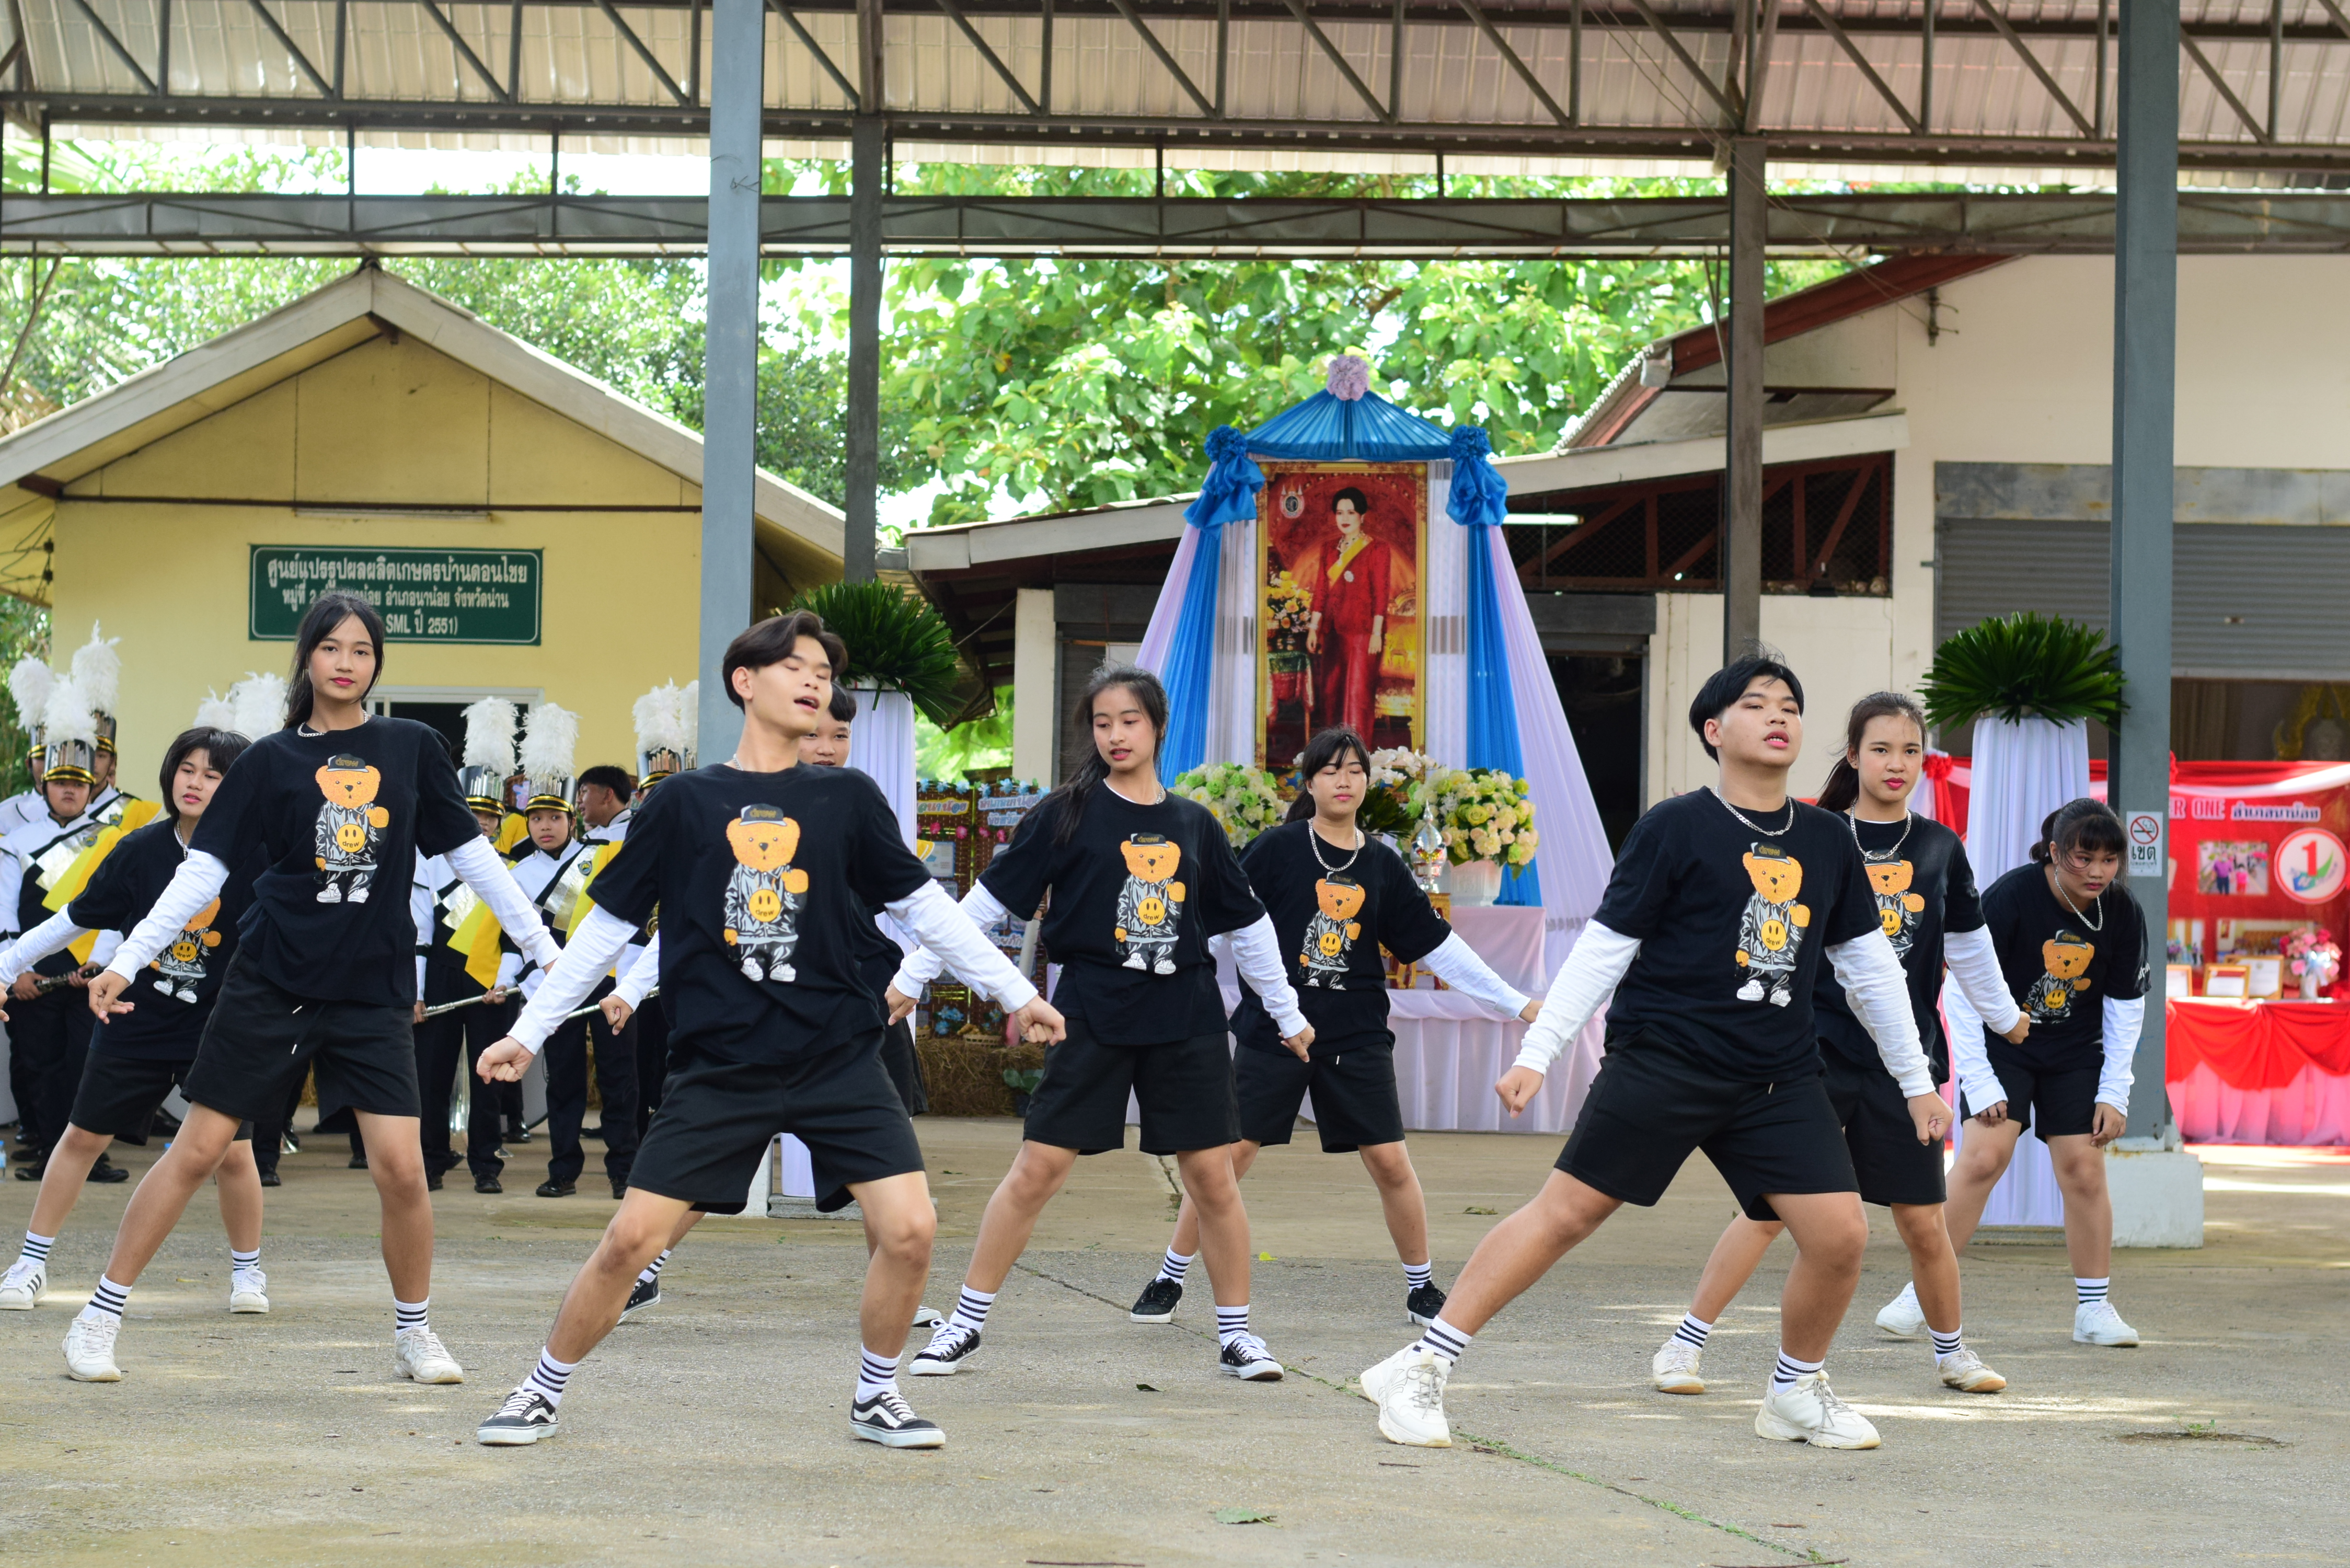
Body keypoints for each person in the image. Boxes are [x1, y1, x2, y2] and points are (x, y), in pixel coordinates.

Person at [469, 610, 1063, 1449]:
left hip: (838, 1055)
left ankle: (877, 1393)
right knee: (630, 1241)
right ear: (746, 682)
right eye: (798, 666)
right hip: (722, 1065)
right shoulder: (680, 802)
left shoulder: (847, 798)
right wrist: (528, 1032)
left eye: (823, 669)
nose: (816, 680)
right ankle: (540, 1388)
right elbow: (605, 931)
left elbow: (924, 908)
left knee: (910, 1229)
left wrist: (1013, 994)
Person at [1357, 652, 1943, 1451]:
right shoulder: (1674, 826)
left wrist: (1916, 1080)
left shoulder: (1826, 840)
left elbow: (1872, 970)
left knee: (1841, 1235)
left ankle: (1795, 1392)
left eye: (1791, 706)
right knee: (1567, 1214)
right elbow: (1605, 948)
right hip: (1664, 1059)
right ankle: (1423, 1364)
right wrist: (1541, 1050)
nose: (1779, 716)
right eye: (1757, 704)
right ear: (1715, 728)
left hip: (1778, 1076)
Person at [63, 591, 566, 1385]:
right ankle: (98, 1316)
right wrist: (127, 960)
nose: (346, 663)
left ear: (376, 664)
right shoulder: (268, 761)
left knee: (401, 1166)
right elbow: (205, 871)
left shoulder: (409, 747)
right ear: (307, 658)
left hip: (371, 990)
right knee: (198, 1150)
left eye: (362, 651)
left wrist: (546, 954)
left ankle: (414, 1333)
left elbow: (472, 858)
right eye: (332, 648)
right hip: (273, 981)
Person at [892, 664, 1314, 1385]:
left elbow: (1251, 929)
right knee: (1037, 1170)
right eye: (1102, 722)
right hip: (1089, 1010)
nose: (1115, 734)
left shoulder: (1195, 824)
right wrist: (912, 977)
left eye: (1130, 721)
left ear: (1155, 727)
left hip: (1186, 1016)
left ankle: (1239, 1335)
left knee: (1213, 1178)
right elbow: (983, 907)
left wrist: (1287, 1013)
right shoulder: (1066, 814)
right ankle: (964, 1324)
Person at [1649, 693, 2025, 1401]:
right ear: (1853, 756)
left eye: (1911, 751)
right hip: (1810, 1058)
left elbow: (1970, 947)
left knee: (1922, 1220)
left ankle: (1952, 1353)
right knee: (1766, 1213)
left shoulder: (1942, 848)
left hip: (1903, 1065)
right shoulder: (1816, 834)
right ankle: (1684, 1344)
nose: (1897, 764)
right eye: (1881, 749)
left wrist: (2008, 1020)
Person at [1127, 724, 1540, 1331]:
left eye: (1353, 770)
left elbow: (1437, 947)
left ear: (1367, 783)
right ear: (1310, 782)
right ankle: (1169, 1276)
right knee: (1224, 1163)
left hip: (1355, 1036)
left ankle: (1422, 1288)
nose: (1343, 780)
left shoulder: (1381, 862)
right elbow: (1217, 922)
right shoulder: (1275, 849)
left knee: (1391, 1163)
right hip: (1274, 1031)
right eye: (1330, 770)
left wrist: (1516, 1003)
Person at [0, 725, 264, 1314]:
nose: (196, 783)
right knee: (82, 1138)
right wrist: (6, 964)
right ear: (170, 774)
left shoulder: (260, 854)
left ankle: (248, 1274)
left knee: (234, 1154)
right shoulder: (139, 849)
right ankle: (30, 1263)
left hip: (219, 1028)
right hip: (135, 1017)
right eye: (188, 769)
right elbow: (73, 918)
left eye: (215, 774)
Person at [1878, 799, 2149, 1350]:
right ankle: (1918, 1291)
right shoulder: (2009, 896)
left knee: (2082, 1167)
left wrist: (2113, 1091)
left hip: (2076, 1052)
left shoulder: (2121, 911)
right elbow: (1961, 989)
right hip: (2005, 1044)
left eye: (2108, 860)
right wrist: (1976, 1079)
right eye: (2082, 858)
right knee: (1981, 1158)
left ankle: (2093, 1308)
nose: (2096, 872)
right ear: (2053, 853)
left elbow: (2125, 1006)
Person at [506, 703, 639, 1200]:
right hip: (558, 980)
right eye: (535, 819)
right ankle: (562, 1169)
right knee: (563, 1079)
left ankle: (623, 1169)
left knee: (618, 1077)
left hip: (610, 977)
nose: (546, 826)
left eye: (557, 815)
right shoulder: (526, 867)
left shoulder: (613, 850)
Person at [1, 678, 120, 1185]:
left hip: (92, 971)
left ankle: (91, 1157)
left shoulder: (110, 838)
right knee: (41, 1066)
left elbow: (119, 908)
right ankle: (50, 1153)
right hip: (36, 972)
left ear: (92, 787)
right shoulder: (16, 839)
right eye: (59, 782)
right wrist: (17, 968)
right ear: (44, 784)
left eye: (78, 783)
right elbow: (5, 908)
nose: (69, 790)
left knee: (90, 1065)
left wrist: (105, 965)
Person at [410, 702, 520, 1196]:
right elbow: (418, 931)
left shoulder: (512, 870)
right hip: (437, 976)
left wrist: (508, 982)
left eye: (488, 818)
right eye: (471, 816)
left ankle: (485, 1165)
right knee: (431, 1077)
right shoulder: (429, 863)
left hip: (489, 980)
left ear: (499, 824)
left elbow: (522, 934)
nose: (479, 825)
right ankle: (431, 1160)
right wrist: (414, 991)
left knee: (489, 1078)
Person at [1302, 487, 1395, 740]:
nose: (1344, 518)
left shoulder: (1377, 549)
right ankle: (1331, 751)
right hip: (1333, 632)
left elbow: (1381, 593)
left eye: (1351, 512)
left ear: (1362, 516)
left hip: (1364, 633)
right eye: (1340, 512)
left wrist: (1377, 633)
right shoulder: (1329, 549)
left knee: (1357, 696)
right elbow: (1321, 590)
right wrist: (1313, 627)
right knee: (1331, 694)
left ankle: (1357, 752)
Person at [577, 766, 635, 844]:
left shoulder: (636, 831)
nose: (578, 800)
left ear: (608, 795)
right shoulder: (589, 837)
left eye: (584, 791)